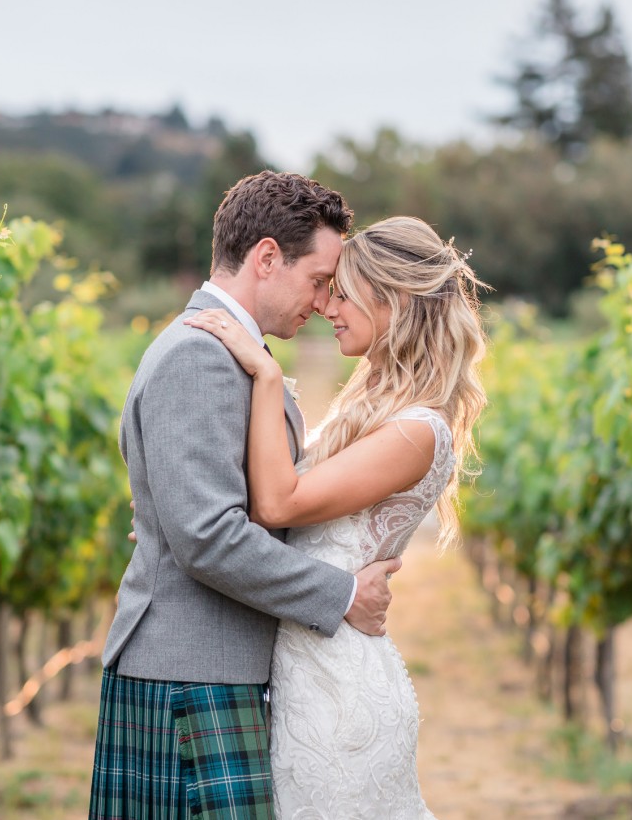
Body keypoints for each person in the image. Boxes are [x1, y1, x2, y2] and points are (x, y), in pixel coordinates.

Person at [90, 171, 402, 819]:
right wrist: (342, 595)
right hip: (188, 676)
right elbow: (208, 536)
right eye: (318, 279)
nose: (322, 301)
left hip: (209, 670)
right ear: (266, 257)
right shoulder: (198, 356)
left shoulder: (232, 353)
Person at [184, 215, 487, 817]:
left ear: (394, 300)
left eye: (342, 291)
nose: (327, 305)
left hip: (339, 696)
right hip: (308, 670)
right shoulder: (377, 406)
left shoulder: (417, 429)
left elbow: (280, 503)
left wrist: (267, 375)